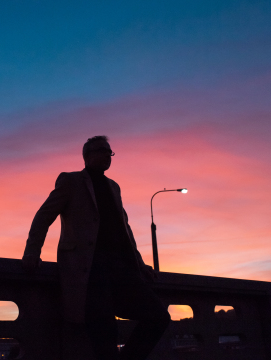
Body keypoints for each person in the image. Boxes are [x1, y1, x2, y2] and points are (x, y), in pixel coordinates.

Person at [22, 136, 170, 360]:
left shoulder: (114, 187)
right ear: (87, 155)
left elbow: (125, 231)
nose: (107, 156)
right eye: (102, 150)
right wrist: (32, 251)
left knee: (159, 316)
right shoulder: (70, 182)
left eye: (110, 152)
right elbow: (44, 216)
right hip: (90, 271)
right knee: (105, 335)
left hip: (123, 269)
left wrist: (141, 265)